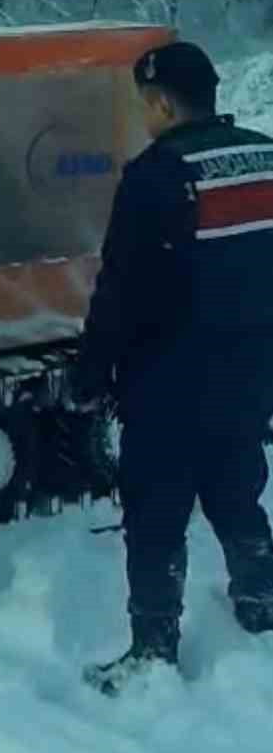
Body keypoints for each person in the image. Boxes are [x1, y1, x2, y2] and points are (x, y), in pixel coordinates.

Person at [69, 41, 273, 694]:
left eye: (144, 105)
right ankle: (260, 600)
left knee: (155, 514)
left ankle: (153, 649)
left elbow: (120, 291)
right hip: (251, 372)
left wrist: (90, 374)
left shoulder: (155, 174)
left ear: (159, 102)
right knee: (236, 487)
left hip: (169, 380)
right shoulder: (265, 156)